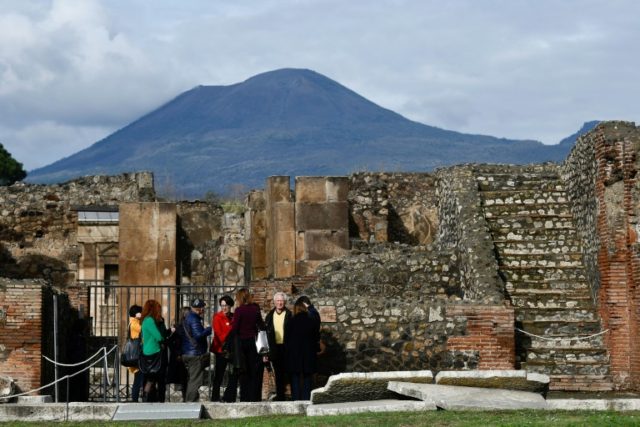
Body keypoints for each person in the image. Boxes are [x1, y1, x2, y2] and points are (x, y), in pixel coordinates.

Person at [231, 288, 265, 402]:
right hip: (254, 342)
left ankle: (245, 398)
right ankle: (255, 397)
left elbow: (235, 329)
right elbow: (261, 325)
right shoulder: (255, 309)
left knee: (243, 372)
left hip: (242, 343)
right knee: (254, 372)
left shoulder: (239, 311)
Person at [285, 300, 318, 400]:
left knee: (295, 377)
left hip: (294, 354)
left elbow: (286, 339)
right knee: (307, 377)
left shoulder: (290, 321)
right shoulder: (311, 321)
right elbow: (316, 337)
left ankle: (296, 399)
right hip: (308, 353)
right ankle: (306, 399)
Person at [181, 298, 212, 402]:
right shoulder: (194, 318)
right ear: (200, 309)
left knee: (192, 380)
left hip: (188, 352)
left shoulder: (188, 317)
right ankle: (190, 404)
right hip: (195, 354)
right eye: (203, 308)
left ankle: (193, 401)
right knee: (195, 381)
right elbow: (198, 335)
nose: (203, 310)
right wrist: (208, 329)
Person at [210, 295, 238, 402]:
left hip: (233, 350)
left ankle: (229, 396)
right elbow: (219, 334)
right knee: (219, 374)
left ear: (230, 305)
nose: (224, 308)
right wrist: (231, 330)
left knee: (234, 373)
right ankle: (215, 397)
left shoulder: (234, 316)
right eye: (222, 306)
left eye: (226, 305)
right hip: (221, 350)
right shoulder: (217, 317)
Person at [264, 292, 291, 401]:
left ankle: (292, 395)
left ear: (285, 302)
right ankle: (280, 396)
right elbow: (265, 334)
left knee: (289, 372)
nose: (280, 303)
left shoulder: (289, 315)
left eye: (282, 301)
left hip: (287, 347)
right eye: (278, 301)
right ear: (274, 302)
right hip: (274, 348)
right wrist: (265, 352)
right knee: (278, 373)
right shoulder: (269, 316)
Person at [140, 299, 166, 402]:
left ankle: (148, 397)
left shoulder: (144, 320)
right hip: (154, 352)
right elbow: (159, 337)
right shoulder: (149, 320)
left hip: (146, 351)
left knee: (150, 377)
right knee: (156, 378)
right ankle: (151, 397)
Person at [127, 304, 143, 402]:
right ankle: (134, 398)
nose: (142, 313)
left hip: (136, 352)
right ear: (136, 313)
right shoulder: (134, 324)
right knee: (138, 377)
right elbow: (144, 331)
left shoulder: (134, 322)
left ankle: (135, 398)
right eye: (140, 311)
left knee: (138, 377)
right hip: (137, 353)